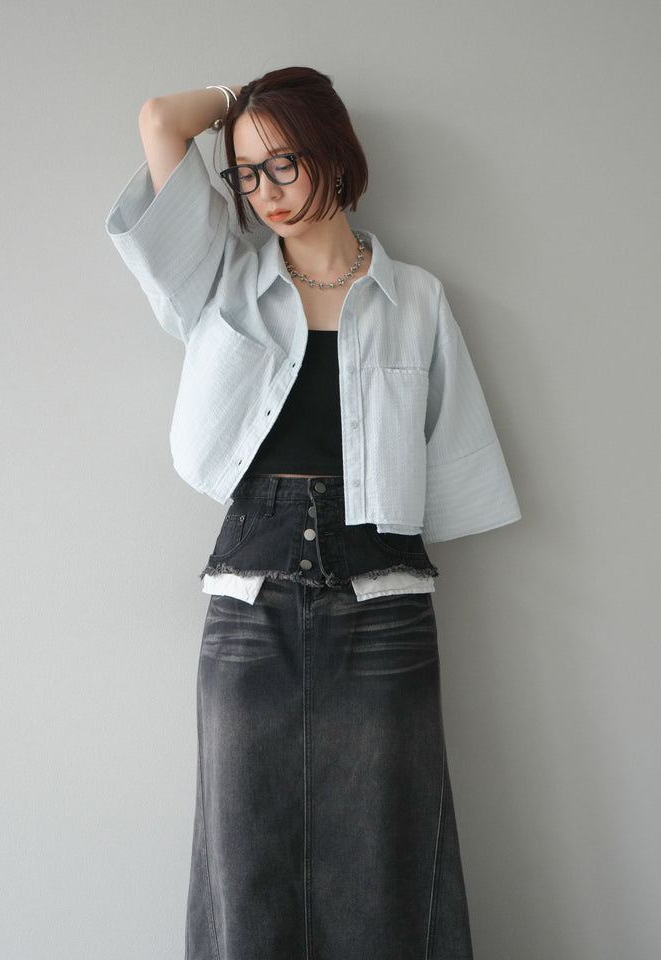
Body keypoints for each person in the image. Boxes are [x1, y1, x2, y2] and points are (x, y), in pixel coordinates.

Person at [106, 66, 520, 960]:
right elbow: (159, 119)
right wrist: (237, 107)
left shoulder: (418, 299)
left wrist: (257, 119)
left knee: (389, 851)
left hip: (386, 610)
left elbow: (451, 474)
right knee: (242, 853)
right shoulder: (220, 279)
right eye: (247, 173)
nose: (266, 192)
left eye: (284, 163)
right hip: (249, 607)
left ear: (334, 154)